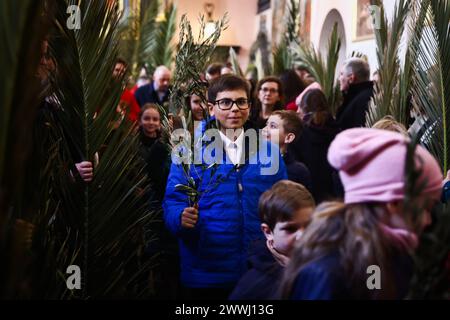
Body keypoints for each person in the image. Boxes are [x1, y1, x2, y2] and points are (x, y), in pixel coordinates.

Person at [163, 75, 288, 300]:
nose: (234, 109)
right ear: (211, 108)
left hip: (258, 267)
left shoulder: (268, 152)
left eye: (241, 102)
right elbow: (173, 201)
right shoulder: (190, 151)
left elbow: (284, 202)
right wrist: (180, 217)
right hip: (207, 267)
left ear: (249, 106)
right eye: (226, 102)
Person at [280, 128, 443, 300]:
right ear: (393, 203)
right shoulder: (326, 274)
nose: (427, 219)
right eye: (425, 207)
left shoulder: (388, 254)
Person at [229, 180, 314, 300]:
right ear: (268, 232)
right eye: (290, 229)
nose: (302, 235)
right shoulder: (253, 287)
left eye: (309, 225)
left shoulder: (330, 266)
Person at [293, 89, 340, 203]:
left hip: (307, 190)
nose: (297, 111)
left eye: (300, 107)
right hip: (331, 190)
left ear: (305, 108)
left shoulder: (300, 132)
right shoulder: (337, 129)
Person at [263, 110, 312, 191]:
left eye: (272, 126)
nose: (264, 129)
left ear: (288, 138)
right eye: (266, 125)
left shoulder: (298, 171)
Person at [336, 58, 374, 130]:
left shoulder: (362, 100)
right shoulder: (357, 96)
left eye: (341, 74)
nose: (339, 78)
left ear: (351, 78)